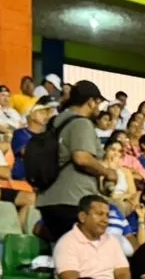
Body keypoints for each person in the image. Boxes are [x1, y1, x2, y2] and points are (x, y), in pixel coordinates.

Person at [35, 80, 117, 242]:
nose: (98, 108)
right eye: (98, 103)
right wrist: (108, 172)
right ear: (91, 101)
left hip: (47, 200)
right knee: (81, 255)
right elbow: (81, 157)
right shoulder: (81, 122)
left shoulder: (54, 122)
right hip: (73, 200)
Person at [54, 194, 131, 279]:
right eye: (99, 214)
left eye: (107, 215)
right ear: (82, 217)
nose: (105, 220)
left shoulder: (112, 241)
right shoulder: (66, 243)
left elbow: (123, 275)